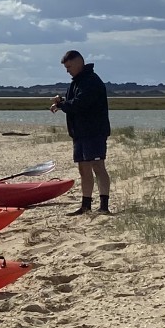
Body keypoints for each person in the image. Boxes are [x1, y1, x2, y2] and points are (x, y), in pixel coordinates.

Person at [50, 50, 111, 215]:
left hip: (94, 132)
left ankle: (104, 206)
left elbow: (80, 104)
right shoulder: (76, 82)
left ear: (78, 63)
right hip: (80, 133)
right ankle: (86, 205)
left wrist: (63, 105)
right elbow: (73, 103)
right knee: (83, 168)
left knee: (98, 166)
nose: (67, 70)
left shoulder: (91, 81)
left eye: (69, 66)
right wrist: (61, 102)